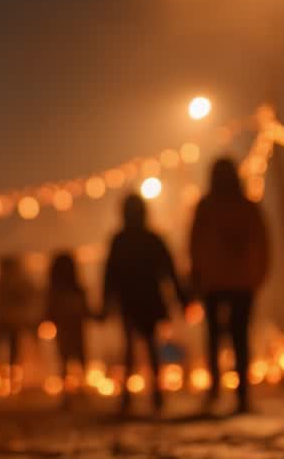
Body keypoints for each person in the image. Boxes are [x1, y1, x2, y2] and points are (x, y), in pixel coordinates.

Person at [189, 156, 271, 414]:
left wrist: (198, 273)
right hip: (238, 282)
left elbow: (195, 244)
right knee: (238, 336)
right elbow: (262, 243)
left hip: (221, 282)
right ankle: (240, 392)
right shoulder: (245, 207)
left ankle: (221, 389)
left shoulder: (209, 207)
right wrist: (257, 275)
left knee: (217, 337)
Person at [102, 193, 188, 415]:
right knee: (148, 346)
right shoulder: (152, 239)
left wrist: (106, 302)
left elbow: (110, 275)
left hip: (130, 300)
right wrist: (181, 297)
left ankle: (131, 397)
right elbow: (169, 271)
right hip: (147, 299)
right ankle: (153, 394)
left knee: (131, 347)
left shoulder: (120, 240)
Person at [45, 251, 91, 406]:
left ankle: (70, 394)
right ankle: (79, 391)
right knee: (77, 360)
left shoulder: (55, 291)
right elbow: (86, 311)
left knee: (65, 361)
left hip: (66, 329)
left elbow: (49, 311)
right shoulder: (76, 289)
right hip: (73, 329)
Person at [0, 255, 38, 393]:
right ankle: (6, 383)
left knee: (13, 354)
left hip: (13, 323)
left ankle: (12, 384)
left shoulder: (19, 284)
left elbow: (31, 299)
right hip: (5, 323)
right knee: (4, 353)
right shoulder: (0, 285)